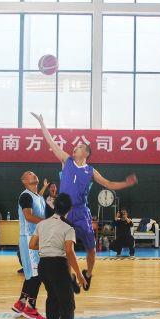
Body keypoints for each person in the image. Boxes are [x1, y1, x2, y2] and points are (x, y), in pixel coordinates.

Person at [32, 112, 137, 290]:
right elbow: (51, 142)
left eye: (79, 146)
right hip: (64, 212)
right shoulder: (66, 161)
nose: (75, 147)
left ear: (86, 153)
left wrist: (126, 183)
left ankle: (88, 273)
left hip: (81, 212)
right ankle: (70, 278)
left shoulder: (90, 171)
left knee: (91, 248)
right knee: (65, 248)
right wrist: (42, 122)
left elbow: (109, 184)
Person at [29, 193, 87, 319]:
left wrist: (46, 246)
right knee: (68, 304)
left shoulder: (42, 224)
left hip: (43, 265)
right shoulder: (68, 228)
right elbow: (69, 251)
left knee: (53, 296)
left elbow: (32, 244)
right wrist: (79, 274)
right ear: (69, 209)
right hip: (58, 266)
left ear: (54, 207)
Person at [11, 171, 47, 319]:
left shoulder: (37, 196)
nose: (33, 174)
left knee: (32, 274)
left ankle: (20, 303)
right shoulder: (25, 196)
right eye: (29, 174)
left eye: (34, 173)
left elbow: (38, 200)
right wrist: (48, 223)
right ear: (24, 181)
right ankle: (30, 309)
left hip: (36, 238)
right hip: (28, 239)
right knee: (37, 274)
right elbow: (28, 216)